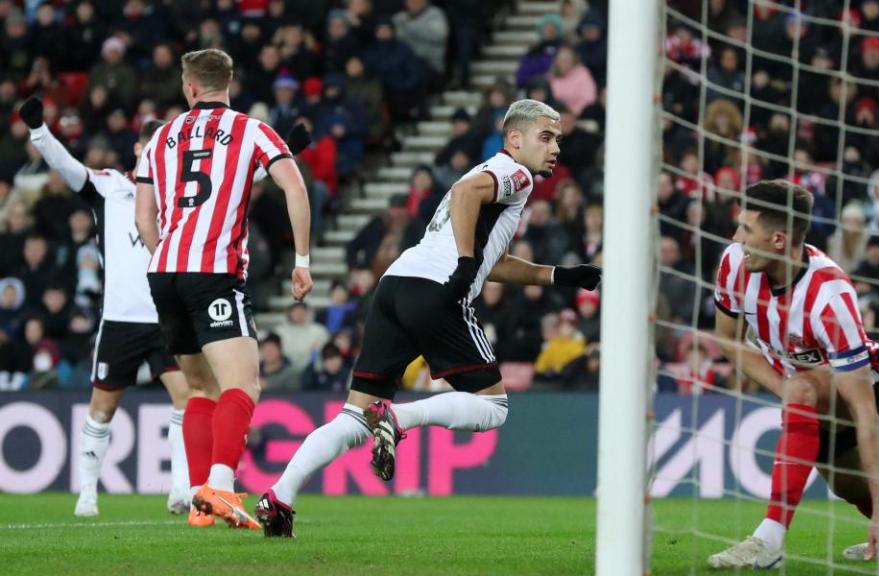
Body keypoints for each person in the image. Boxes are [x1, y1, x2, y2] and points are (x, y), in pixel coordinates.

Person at [255, 99, 602, 537]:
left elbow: (489, 259)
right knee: (493, 407)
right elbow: (465, 205)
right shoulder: (515, 174)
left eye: (558, 140)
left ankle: (279, 497)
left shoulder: (487, 174)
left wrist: (558, 276)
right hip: (436, 289)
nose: (555, 148)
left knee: (352, 416)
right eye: (546, 137)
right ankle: (399, 419)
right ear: (515, 139)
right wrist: (461, 264)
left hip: (396, 284)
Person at [708, 181, 879, 571]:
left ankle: (769, 539)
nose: (736, 238)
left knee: (805, 386)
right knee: (845, 483)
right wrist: (785, 388)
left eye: (747, 230)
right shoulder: (734, 264)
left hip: (867, 383)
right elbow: (729, 341)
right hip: (801, 383)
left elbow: (864, 414)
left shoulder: (830, 297)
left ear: (778, 240)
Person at [134, 49, 314, 530]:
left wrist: (164, 256)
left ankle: (200, 502)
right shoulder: (252, 130)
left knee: (199, 387)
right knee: (243, 385)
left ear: (189, 86)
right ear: (228, 82)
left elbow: (142, 218)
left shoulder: (160, 137)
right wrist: (302, 260)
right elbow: (294, 187)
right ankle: (218, 486)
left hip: (165, 271)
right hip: (214, 271)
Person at [17, 96, 192, 519]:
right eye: (149, 146)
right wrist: (40, 131)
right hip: (121, 320)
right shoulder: (110, 187)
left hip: (168, 317)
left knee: (188, 399)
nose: (155, 153)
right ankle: (88, 492)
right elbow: (67, 167)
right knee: (102, 409)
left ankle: (182, 488)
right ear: (137, 149)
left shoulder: (187, 198)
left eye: (164, 147)